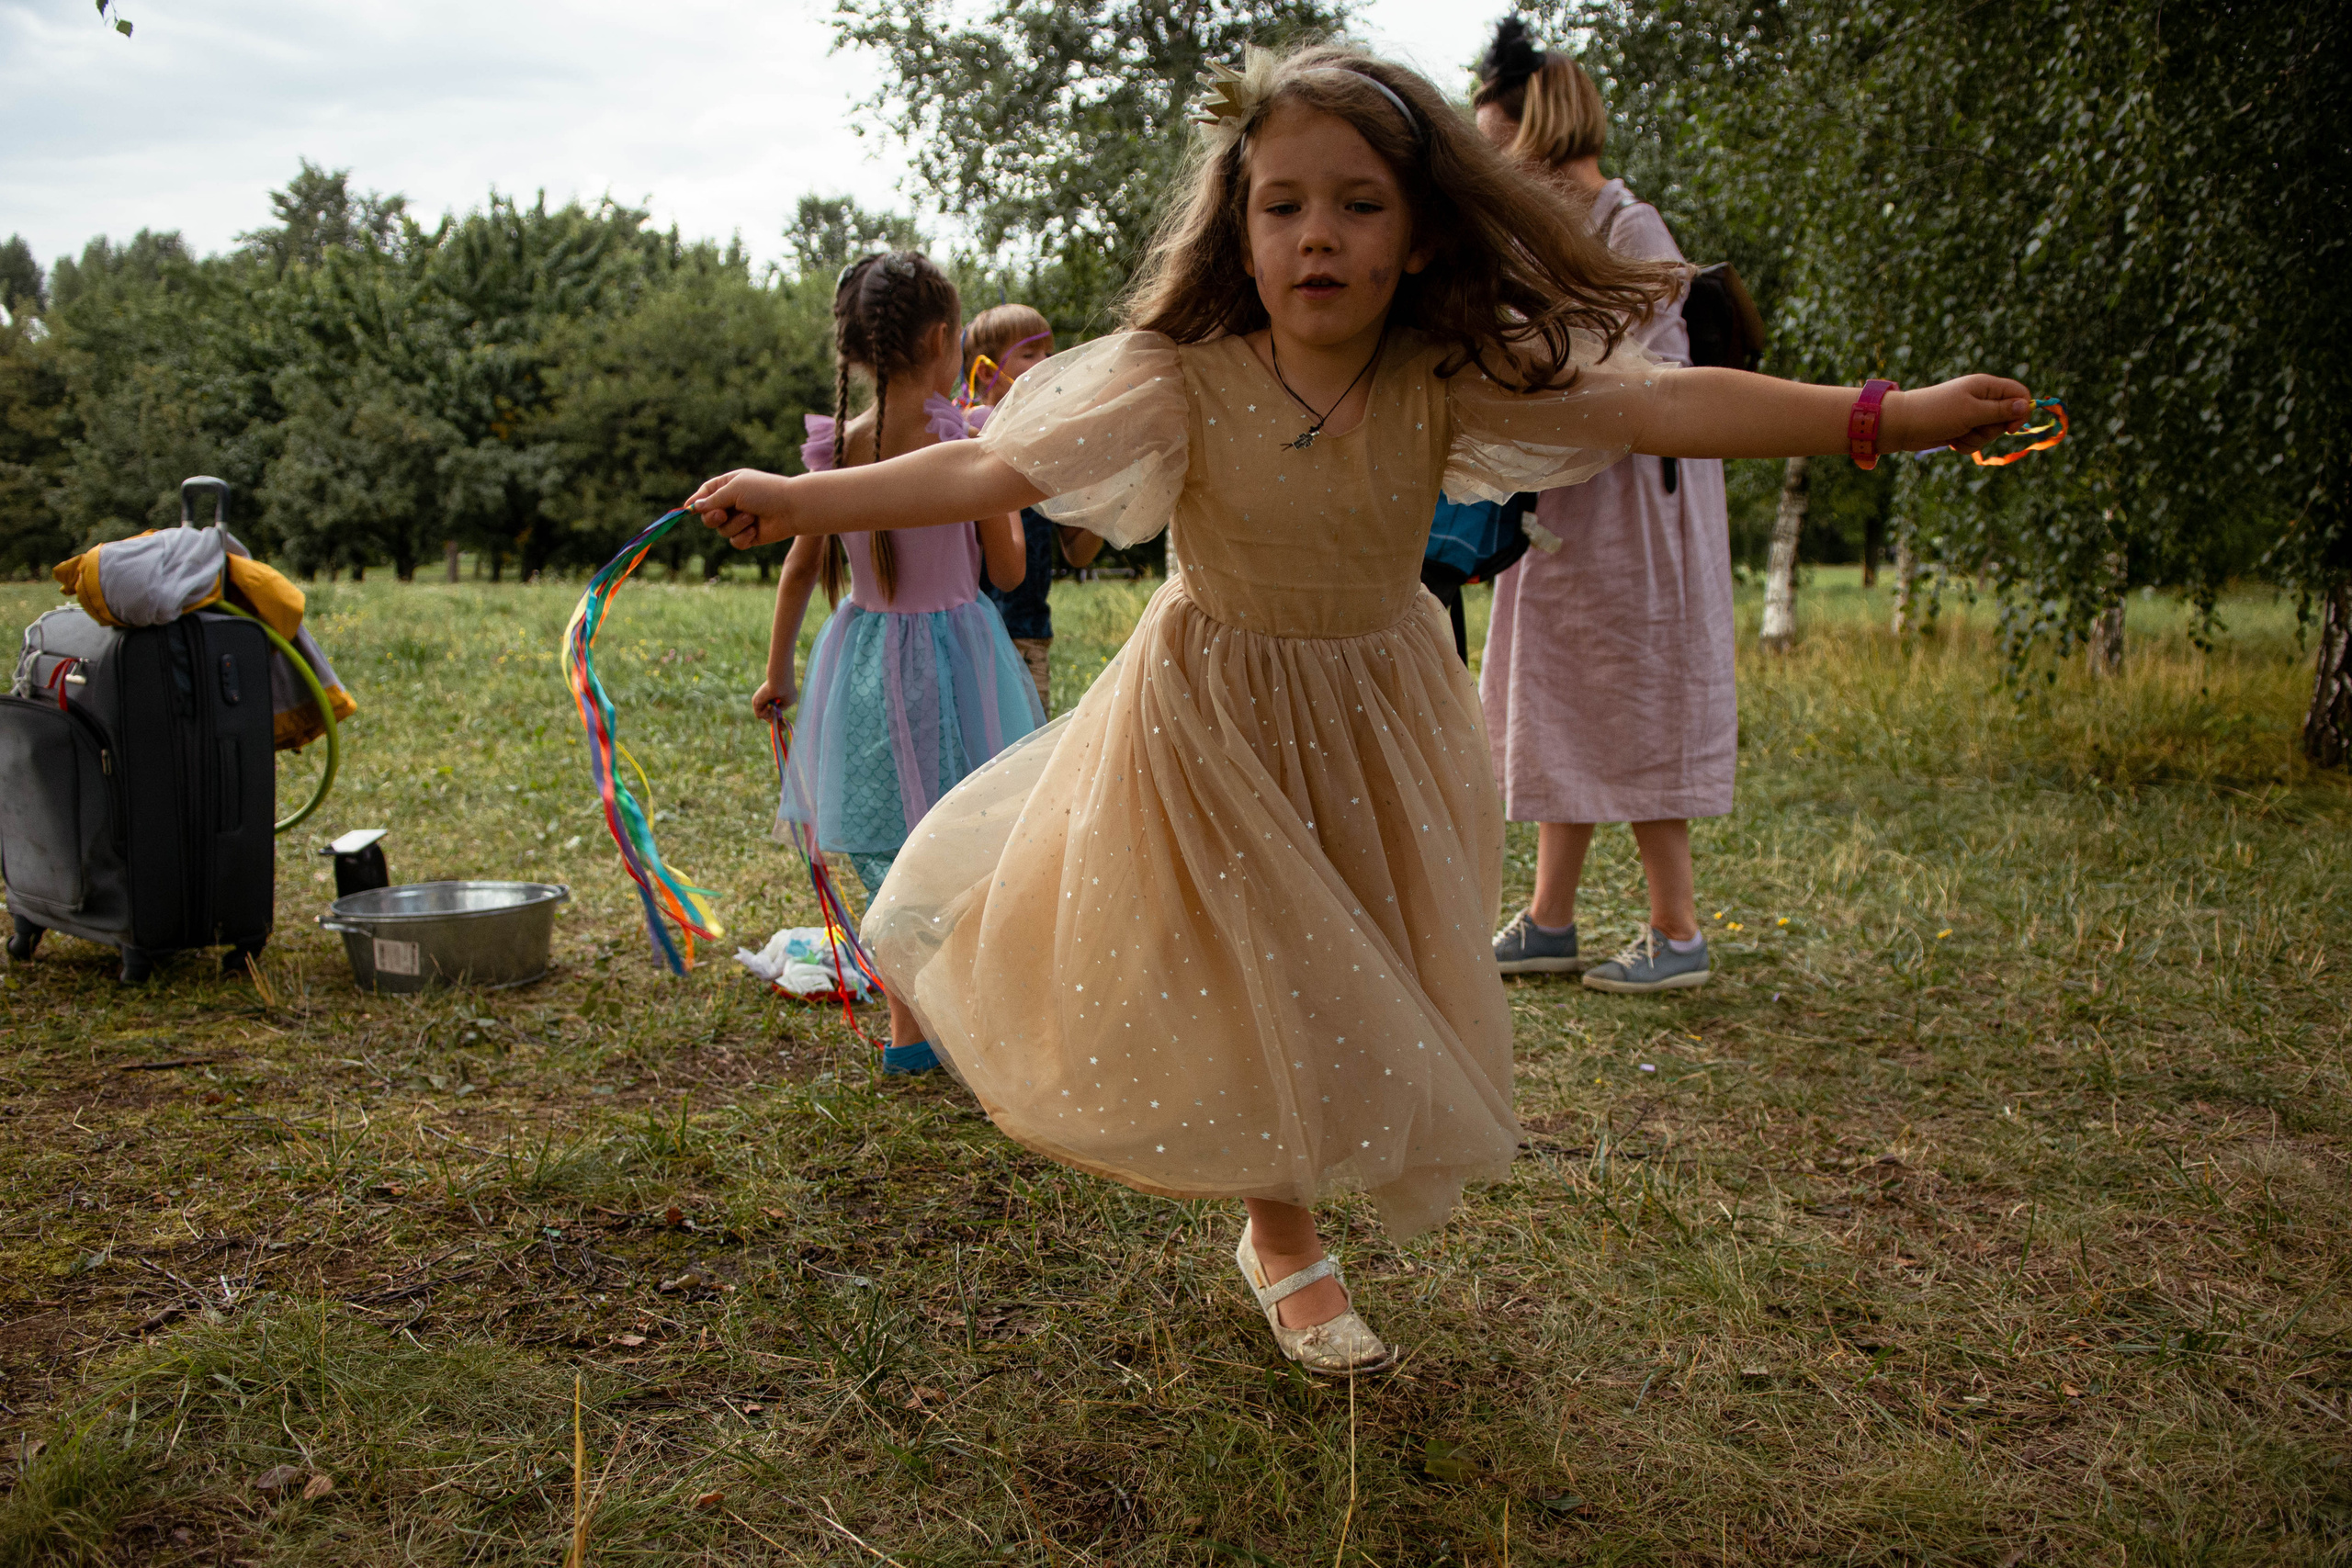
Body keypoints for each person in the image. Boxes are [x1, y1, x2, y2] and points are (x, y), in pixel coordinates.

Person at [691, 44, 2035, 1373]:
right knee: (1262, 958)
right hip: (1211, 713)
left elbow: (1660, 399)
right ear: (1240, 223)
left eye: (1357, 203)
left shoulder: (1440, 377)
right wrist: (800, 496)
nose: (1317, 236)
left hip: (1377, 714)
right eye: (1284, 205)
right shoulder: (1183, 375)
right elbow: (987, 465)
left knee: (1347, 967)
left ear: (1419, 232)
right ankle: (1285, 1237)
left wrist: (1889, 415)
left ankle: (1287, 1212)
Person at [1473, 19, 1737, 995]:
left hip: (1635, 505)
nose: (1482, 154)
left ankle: (1676, 932)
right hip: (1567, 501)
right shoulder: (1546, 230)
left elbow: (1656, 378)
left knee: (1634, 690)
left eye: (1488, 134)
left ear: (1527, 124)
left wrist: (1536, 367)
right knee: (1558, 691)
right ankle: (1550, 919)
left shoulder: (1628, 225)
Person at [753, 252, 1043, 1075]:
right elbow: (1011, 569)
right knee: (968, 834)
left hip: (867, 659)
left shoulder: (838, 448)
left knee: (890, 840)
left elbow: (801, 568)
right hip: (959, 660)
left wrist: (779, 673)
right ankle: (978, 1020)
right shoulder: (961, 436)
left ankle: (907, 1035)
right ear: (949, 339)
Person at [962, 302, 1104, 712]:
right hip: (967, 635)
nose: (1047, 363)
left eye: (1049, 352)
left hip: (1028, 634)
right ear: (987, 371)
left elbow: (1078, 553)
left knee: (1024, 750)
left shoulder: (1047, 445)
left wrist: (1102, 489)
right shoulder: (961, 437)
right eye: (1030, 354)